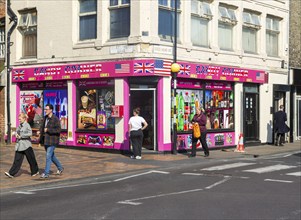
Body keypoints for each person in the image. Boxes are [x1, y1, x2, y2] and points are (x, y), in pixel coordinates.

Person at [4, 113, 39, 178]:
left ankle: (35, 171)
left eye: (20, 119)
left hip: (26, 145)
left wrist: (22, 136)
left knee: (31, 159)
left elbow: (30, 133)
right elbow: (17, 132)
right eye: (19, 119)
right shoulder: (19, 125)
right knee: (17, 160)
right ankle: (11, 173)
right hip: (19, 146)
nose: (19, 120)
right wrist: (15, 134)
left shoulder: (27, 125)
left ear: (24, 118)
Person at [39, 104, 64, 178]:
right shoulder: (45, 118)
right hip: (45, 140)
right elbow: (42, 127)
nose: (45, 111)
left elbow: (58, 130)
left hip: (52, 141)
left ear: (51, 110)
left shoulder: (55, 119)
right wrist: (40, 131)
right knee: (51, 156)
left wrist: (48, 130)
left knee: (48, 156)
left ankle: (46, 173)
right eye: (45, 109)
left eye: (46, 109)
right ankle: (60, 168)